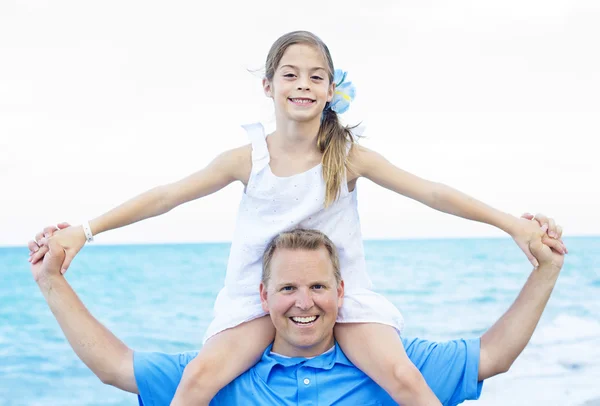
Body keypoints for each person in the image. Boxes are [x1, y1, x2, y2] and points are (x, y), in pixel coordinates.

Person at [28, 30, 567, 405]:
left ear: (332, 89)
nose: (303, 84)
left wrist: (512, 225)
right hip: (257, 294)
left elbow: (431, 192)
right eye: (290, 75)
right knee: (197, 381)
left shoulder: (347, 156)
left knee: (403, 375)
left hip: (340, 295)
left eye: (316, 76)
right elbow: (168, 196)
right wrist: (88, 228)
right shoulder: (248, 158)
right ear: (269, 86)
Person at [29, 221, 565, 405]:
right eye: (287, 287)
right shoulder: (223, 375)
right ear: (262, 298)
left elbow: (493, 354)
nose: (303, 302)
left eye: (317, 286)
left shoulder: (390, 366)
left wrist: (544, 271)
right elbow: (115, 366)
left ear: (342, 291)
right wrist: (51, 280)